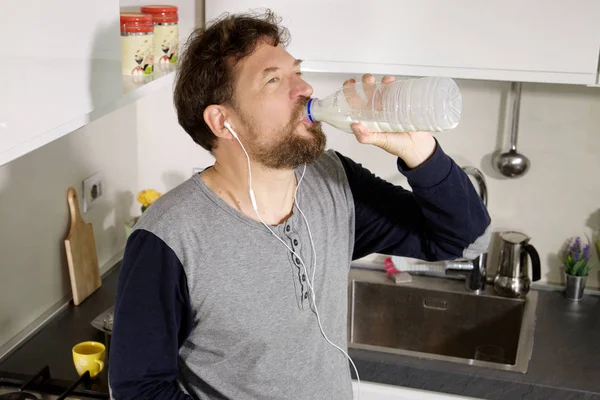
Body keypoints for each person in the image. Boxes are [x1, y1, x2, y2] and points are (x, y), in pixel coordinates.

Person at [108, 10, 491, 400]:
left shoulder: (331, 180)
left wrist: (420, 153)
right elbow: (139, 390)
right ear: (222, 122)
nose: (304, 89)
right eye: (274, 79)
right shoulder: (169, 237)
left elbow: (463, 239)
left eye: (297, 72)